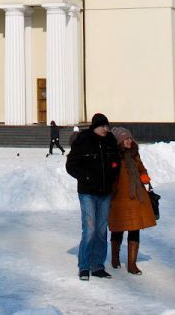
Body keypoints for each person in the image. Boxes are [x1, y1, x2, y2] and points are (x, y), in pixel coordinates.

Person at [66, 112, 120, 281]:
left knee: (101, 230)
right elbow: (71, 165)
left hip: (105, 192)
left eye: (107, 126)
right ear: (95, 127)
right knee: (89, 229)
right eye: (103, 126)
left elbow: (116, 162)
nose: (106, 129)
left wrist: (112, 174)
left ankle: (98, 265)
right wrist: (87, 177)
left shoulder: (110, 141)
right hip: (88, 192)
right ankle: (84, 266)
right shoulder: (83, 141)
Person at [108, 127, 156, 275]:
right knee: (118, 229)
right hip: (119, 199)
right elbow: (110, 176)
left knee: (134, 229)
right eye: (125, 139)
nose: (129, 141)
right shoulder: (114, 156)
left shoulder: (135, 154)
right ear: (119, 142)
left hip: (136, 197)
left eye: (130, 138)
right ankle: (115, 259)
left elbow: (141, 168)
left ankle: (132, 264)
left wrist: (144, 176)